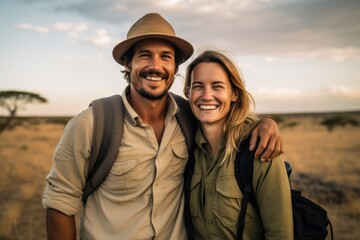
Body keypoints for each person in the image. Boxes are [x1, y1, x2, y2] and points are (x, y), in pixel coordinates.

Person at [42, 13, 283, 239]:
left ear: (175, 68)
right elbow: (59, 204)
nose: (155, 65)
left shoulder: (188, 116)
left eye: (165, 56)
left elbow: (225, 113)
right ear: (127, 63)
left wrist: (265, 122)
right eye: (145, 55)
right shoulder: (91, 124)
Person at [183, 49, 293, 239]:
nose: (207, 96)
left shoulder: (258, 149)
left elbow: (280, 234)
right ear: (188, 92)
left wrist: (267, 121)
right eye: (198, 86)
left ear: (234, 93)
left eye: (217, 86)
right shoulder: (186, 146)